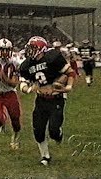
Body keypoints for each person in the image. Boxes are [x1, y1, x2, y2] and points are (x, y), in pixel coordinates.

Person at [19, 36, 75, 165]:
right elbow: (22, 84)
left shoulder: (53, 58)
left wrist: (67, 86)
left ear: (42, 49)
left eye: (33, 48)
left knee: (54, 131)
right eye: (29, 48)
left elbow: (70, 73)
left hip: (56, 98)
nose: (29, 51)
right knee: (38, 130)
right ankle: (45, 156)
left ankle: (58, 133)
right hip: (41, 100)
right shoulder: (26, 65)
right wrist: (28, 89)